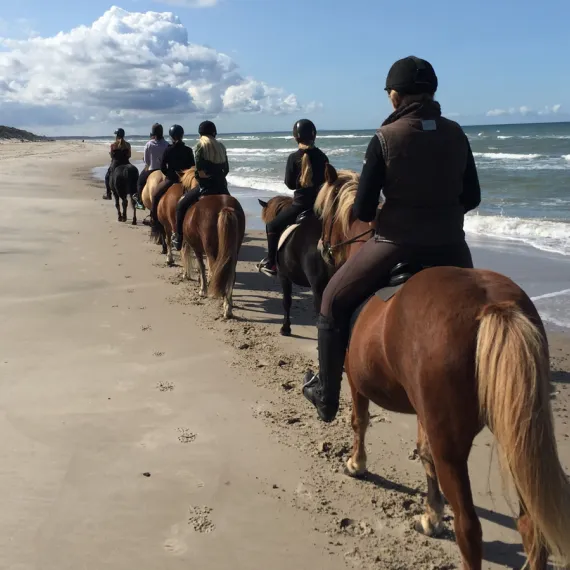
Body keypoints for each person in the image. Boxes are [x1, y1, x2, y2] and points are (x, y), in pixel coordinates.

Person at [302, 56, 482, 422]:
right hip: (453, 247)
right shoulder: (456, 133)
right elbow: (473, 197)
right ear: (432, 93)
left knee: (333, 301)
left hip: (396, 244)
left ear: (395, 97)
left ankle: (327, 395)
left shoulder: (385, 138)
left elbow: (365, 211)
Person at [258, 119, 329, 276]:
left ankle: (271, 262)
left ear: (296, 138)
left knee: (272, 226)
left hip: (299, 206)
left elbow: (289, 184)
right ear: (314, 135)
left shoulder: (293, 158)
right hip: (319, 207)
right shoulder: (322, 157)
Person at [172, 121, 230, 251]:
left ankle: (179, 237)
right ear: (214, 133)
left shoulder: (200, 146)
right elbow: (226, 170)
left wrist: (203, 178)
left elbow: (199, 172)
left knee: (181, 205)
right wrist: (218, 177)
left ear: (200, 134)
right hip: (222, 187)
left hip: (206, 187)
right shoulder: (221, 147)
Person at [150, 125, 195, 228]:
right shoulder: (188, 150)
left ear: (171, 137)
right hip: (185, 181)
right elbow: (192, 167)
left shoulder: (168, 150)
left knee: (155, 195)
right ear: (182, 135)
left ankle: (154, 219)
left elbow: (162, 167)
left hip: (171, 180)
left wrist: (169, 175)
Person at [134, 123, 169, 209]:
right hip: (165, 170)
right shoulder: (167, 144)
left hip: (152, 169)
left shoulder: (149, 144)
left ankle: (140, 201)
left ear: (153, 133)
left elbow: (147, 161)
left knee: (140, 181)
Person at [103, 128, 131, 200]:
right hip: (126, 163)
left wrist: (111, 154)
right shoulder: (128, 144)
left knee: (107, 177)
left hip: (116, 164)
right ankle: (135, 194)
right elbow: (129, 155)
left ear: (117, 135)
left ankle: (108, 194)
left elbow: (112, 156)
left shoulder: (113, 145)